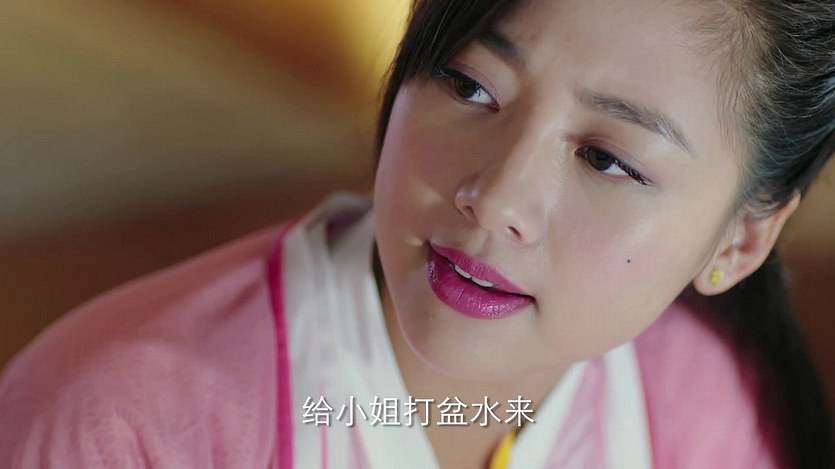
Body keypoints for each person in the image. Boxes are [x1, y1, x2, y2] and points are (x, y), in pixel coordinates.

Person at [1, 0, 833, 467]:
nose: (492, 198)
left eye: (606, 159)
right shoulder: (116, 422)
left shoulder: (705, 408)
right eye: (468, 85)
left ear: (739, 242)